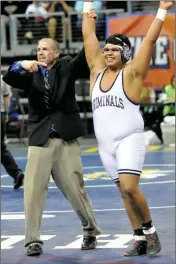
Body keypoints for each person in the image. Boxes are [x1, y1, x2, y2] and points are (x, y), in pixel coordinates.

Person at [82, 0, 175, 257]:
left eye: (114, 49)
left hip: (128, 140)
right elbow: (88, 34)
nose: (108, 52)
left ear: (125, 53)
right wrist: (87, 6)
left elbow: (149, 42)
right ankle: (138, 238)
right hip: (105, 146)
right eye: (106, 49)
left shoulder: (132, 73)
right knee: (123, 192)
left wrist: (162, 10)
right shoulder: (96, 73)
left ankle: (150, 231)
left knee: (131, 187)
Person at [3, 37, 101, 257]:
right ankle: (32, 241)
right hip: (40, 139)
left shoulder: (67, 65)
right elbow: (9, 76)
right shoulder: (31, 72)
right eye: (38, 49)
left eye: (45, 49)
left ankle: (90, 230)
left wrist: (88, 28)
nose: (40, 52)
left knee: (76, 189)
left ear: (56, 53)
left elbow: (86, 56)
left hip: (66, 138)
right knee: (32, 191)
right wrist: (21, 64)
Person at [1, 75, 24, 189]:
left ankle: (16, 173)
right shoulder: (2, 78)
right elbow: (6, 98)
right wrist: (5, 114)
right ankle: (16, 173)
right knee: (1, 149)